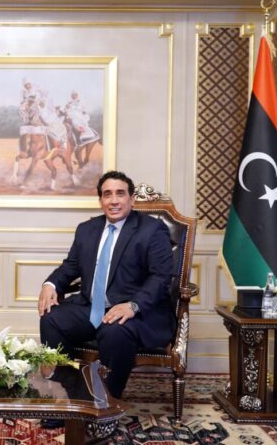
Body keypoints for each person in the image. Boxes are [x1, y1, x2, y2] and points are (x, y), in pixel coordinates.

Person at [38, 170, 174, 402]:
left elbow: (161, 277)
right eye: (107, 194)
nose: (114, 200)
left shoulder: (152, 230)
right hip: (91, 308)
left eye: (120, 194)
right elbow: (70, 266)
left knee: (114, 332)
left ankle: (105, 403)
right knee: (52, 319)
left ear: (132, 199)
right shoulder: (86, 229)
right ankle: (66, 395)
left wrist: (133, 305)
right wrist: (50, 284)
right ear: (100, 200)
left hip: (134, 313)